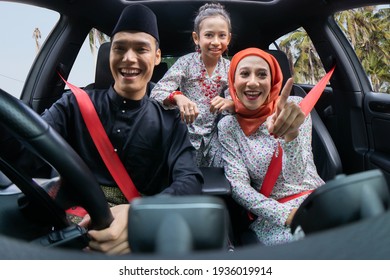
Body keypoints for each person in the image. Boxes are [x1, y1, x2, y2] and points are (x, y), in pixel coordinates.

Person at [0, 4, 203, 255]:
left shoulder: (170, 121)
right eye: (120, 48)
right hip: (68, 235)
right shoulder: (73, 104)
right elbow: (26, 153)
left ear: (157, 57)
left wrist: (141, 215)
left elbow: (191, 181)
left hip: (140, 240)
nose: (129, 58)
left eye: (141, 49)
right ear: (110, 54)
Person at [218, 48, 325, 246]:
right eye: (244, 74)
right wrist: (286, 215)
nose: (252, 82)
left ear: (273, 80)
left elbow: (297, 176)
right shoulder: (228, 126)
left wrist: (290, 135)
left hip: (317, 200)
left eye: (261, 74)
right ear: (233, 82)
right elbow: (238, 186)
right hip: (273, 214)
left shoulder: (294, 108)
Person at [150, 2, 234, 167]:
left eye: (222, 36)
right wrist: (178, 97)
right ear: (197, 38)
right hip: (185, 135)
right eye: (209, 35)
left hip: (217, 139)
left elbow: (240, 102)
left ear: (228, 38)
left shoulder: (232, 69)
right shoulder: (186, 63)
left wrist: (229, 103)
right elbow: (156, 92)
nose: (216, 42)